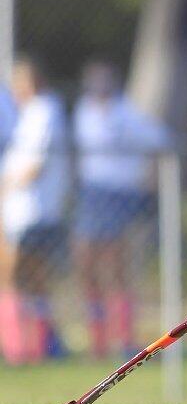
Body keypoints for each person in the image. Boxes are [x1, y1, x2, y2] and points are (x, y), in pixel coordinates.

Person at [72, 60, 167, 358]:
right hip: (90, 195)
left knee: (116, 268)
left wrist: (145, 175)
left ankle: (123, 337)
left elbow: (160, 139)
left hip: (118, 196)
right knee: (86, 265)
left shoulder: (126, 113)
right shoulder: (83, 110)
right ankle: (97, 339)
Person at [0, 57, 70, 364]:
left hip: (32, 212)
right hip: (21, 210)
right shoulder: (29, 113)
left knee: (15, 276)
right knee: (30, 279)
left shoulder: (45, 110)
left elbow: (34, 166)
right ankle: (37, 342)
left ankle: (27, 345)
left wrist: (5, 187)